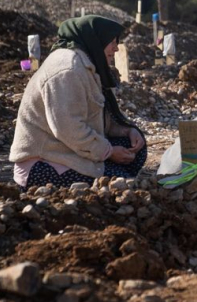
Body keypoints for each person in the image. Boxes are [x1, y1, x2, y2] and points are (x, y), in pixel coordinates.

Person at [10, 15, 146, 191]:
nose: (116, 48)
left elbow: (94, 117)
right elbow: (68, 127)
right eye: (111, 42)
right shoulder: (67, 70)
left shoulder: (86, 65)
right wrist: (109, 152)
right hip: (45, 164)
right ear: (95, 40)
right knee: (122, 184)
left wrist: (127, 130)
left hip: (67, 151)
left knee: (135, 146)